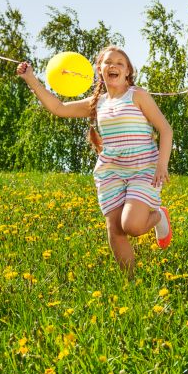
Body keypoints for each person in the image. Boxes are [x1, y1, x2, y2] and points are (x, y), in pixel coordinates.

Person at [17, 45, 173, 274]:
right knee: (115, 228)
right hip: (111, 172)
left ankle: (159, 215)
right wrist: (30, 78)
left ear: (128, 71)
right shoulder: (97, 103)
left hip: (142, 168)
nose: (113, 65)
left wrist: (162, 164)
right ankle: (132, 283)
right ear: (99, 70)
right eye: (108, 62)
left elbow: (165, 129)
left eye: (120, 62)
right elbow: (58, 108)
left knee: (132, 225)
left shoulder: (137, 95)